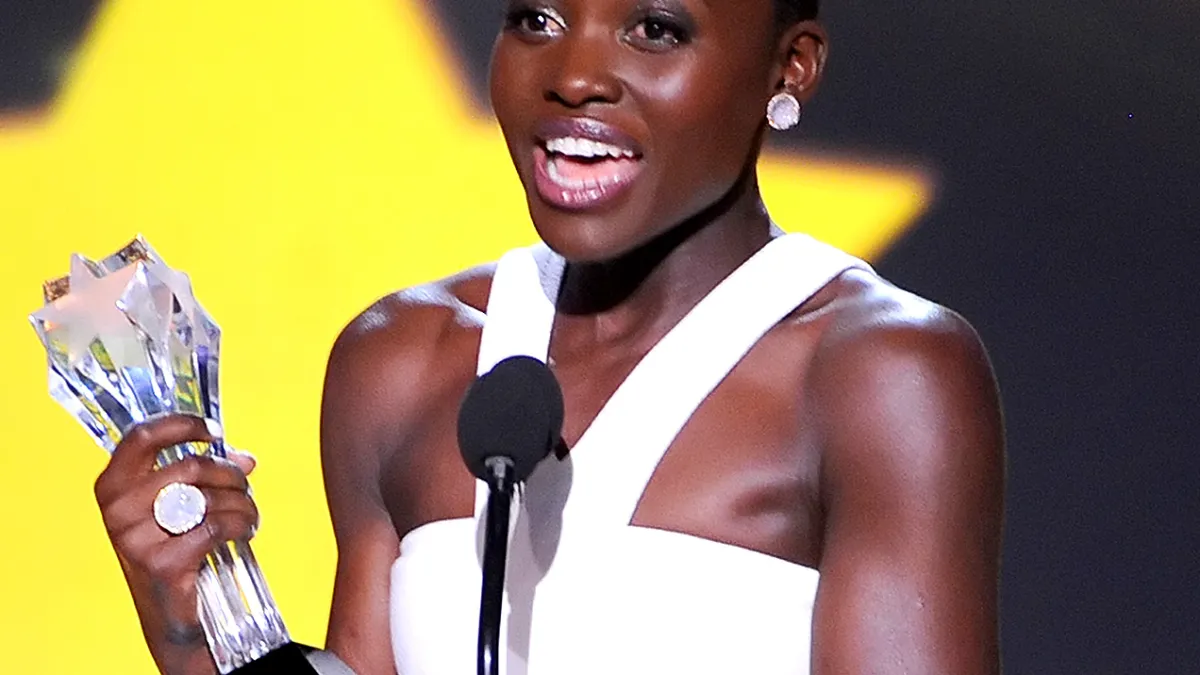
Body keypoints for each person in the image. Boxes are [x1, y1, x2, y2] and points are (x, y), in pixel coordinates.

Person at [94, 0, 1005, 673]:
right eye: (534, 17)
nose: (573, 74)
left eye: (654, 29)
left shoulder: (878, 373)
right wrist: (189, 619)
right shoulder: (404, 357)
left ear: (789, 67)